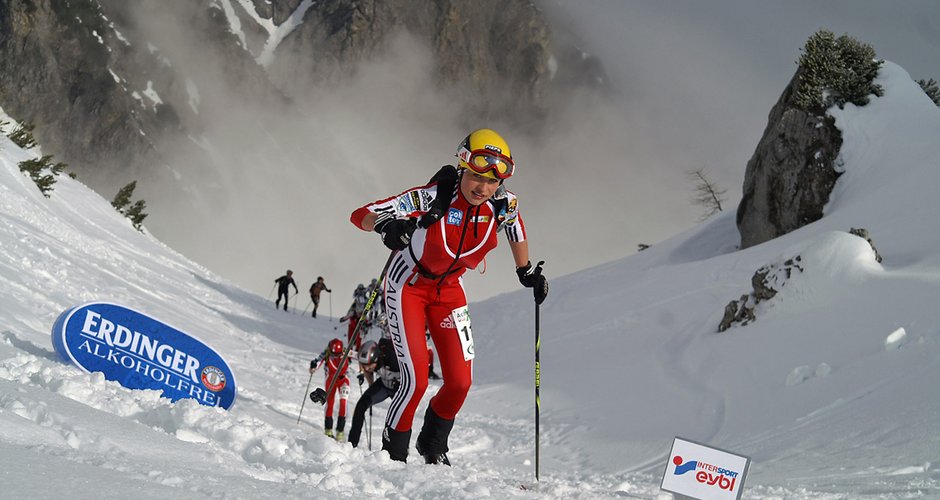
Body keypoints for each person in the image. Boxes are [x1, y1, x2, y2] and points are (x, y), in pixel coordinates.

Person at [349, 128, 549, 465]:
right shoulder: (433, 197)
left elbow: (515, 226)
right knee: (415, 380)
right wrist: (386, 226)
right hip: (408, 285)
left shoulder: (503, 203)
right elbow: (361, 214)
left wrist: (525, 270)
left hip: (449, 290)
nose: (482, 187)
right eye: (475, 176)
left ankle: (433, 445)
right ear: (463, 167)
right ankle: (393, 452)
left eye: (491, 181)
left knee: (460, 381)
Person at [347, 338, 401, 448]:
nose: (367, 368)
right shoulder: (368, 362)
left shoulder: (392, 358)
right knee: (361, 405)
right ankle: (352, 443)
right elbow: (353, 355)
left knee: (397, 415)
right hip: (384, 385)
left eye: (369, 365)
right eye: (364, 365)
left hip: (399, 388)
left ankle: (397, 447)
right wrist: (370, 389)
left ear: (377, 358)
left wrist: (400, 385)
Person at [309, 338, 350, 441]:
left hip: (343, 379)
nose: (334, 356)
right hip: (330, 379)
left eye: (336, 354)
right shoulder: (326, 353)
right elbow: (318, 361)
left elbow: (360, 357)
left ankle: (340, 431)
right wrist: (313, 366)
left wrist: (362, 372)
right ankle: (328, 429)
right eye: (332, 353)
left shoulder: (346, 352)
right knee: (329, 402)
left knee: (343, 403)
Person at [339, 284, 369, 349]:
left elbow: (368, 307)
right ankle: (351, 348)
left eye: (361, 290)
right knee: (351, 336)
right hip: (354, 321)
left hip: (361, 320)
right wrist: (344, 318)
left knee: (359, 337)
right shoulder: (356, 298)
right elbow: (351, 312)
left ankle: (358, 348)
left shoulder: (365, 299)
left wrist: (366, 325)